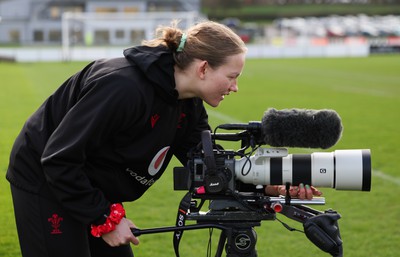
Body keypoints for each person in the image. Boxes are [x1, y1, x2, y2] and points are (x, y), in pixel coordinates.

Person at [6, 20, 321, 257]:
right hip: (44, 178)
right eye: (232, 77)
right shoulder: (123, 88)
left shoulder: (188, 101)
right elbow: (58, 158)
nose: (235, 87)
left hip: (90, 182)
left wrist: (272, 183)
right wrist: (104, 218)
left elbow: (207, 164)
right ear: (203, 68)